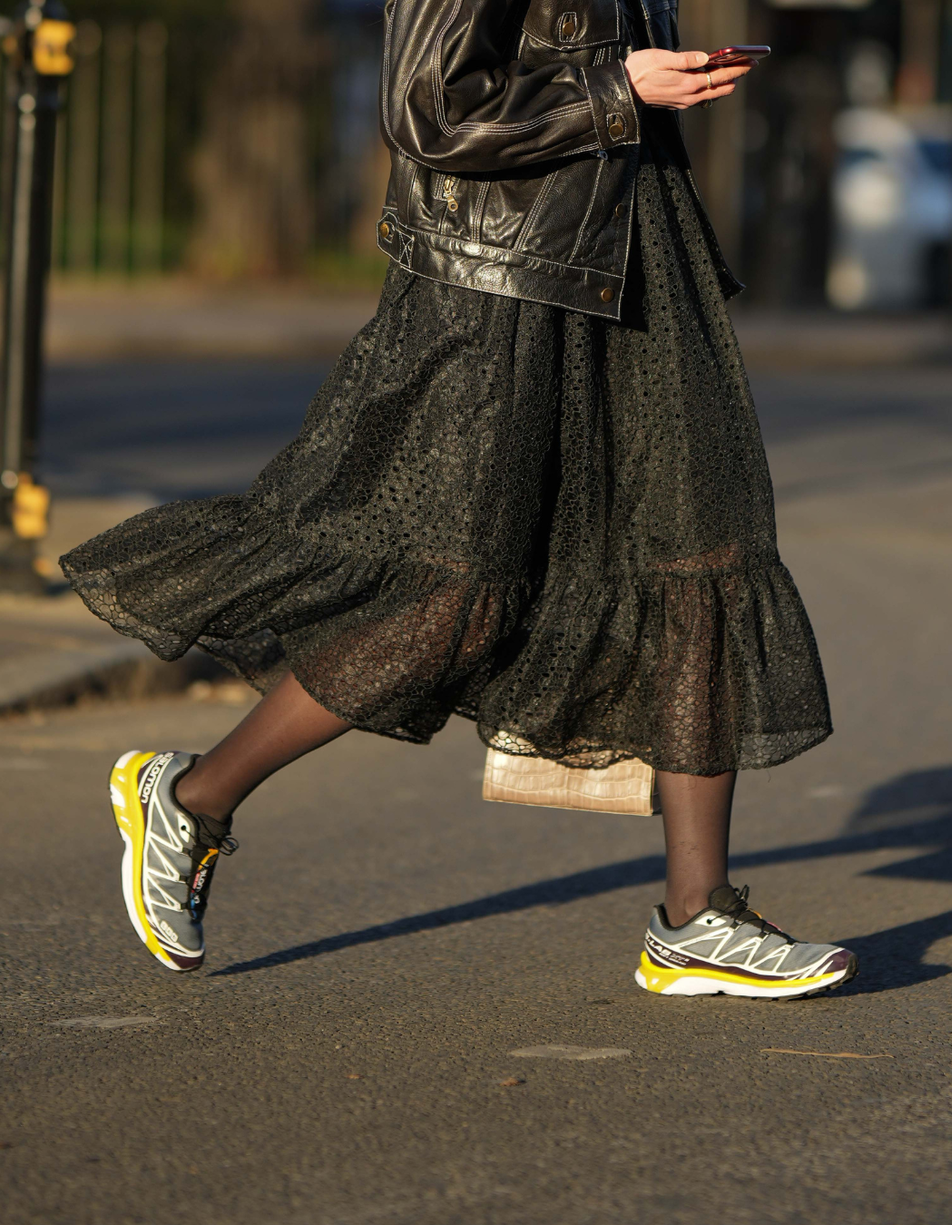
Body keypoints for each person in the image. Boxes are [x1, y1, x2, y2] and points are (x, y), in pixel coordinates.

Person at [63, 0, 857, 997]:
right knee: (457, 595)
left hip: (637, 258)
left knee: (699, 557)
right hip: (499, 286)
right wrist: (619, 89)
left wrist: (662, 78)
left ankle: (695, 916)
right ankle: (190, 796)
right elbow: (427, 110)